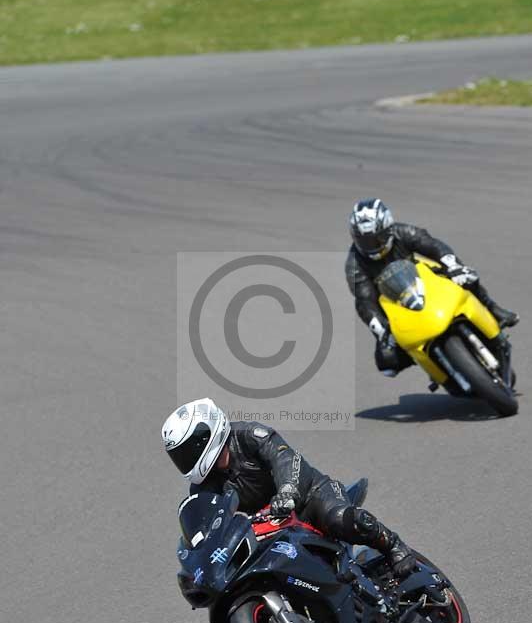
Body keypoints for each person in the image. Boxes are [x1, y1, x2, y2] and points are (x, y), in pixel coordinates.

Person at [162, 397, 415, 578]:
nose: (186, 458)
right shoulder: (202, 488)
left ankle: (393, 545)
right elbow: (206, 524)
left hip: (310, 496)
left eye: (188, 450)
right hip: (269, 526)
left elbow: (284, 458)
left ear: (207, 435)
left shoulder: (250, 435)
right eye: (179, 455)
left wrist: (287, 492)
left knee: (338, 517)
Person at [345, 198, 519, 376]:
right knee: (388, 363)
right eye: (365, 241)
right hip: (393, 302)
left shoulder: (402, 232)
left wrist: (454, 267)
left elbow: (432, 246)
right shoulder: (354, 264)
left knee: (466, 278)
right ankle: (430, 362)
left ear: (388, 229)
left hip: (423, 277)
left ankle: (493, 309)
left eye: (377, 238)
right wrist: (382, 330)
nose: (372, 246)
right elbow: (365, 300)